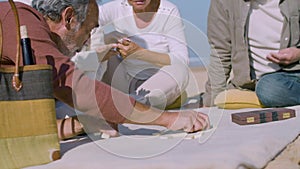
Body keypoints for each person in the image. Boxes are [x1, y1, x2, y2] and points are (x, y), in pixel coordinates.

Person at [0, 0, 209, 140]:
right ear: (69, 18)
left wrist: (84, 123)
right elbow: (80, 90)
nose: (89, 39)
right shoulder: (20, 23)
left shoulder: (24, 24)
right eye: (89, 30)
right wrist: (168, 119)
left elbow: (24, 128)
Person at [72, 0, 190, 109]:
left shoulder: (168, 11)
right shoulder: (116, 8)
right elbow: (83, 23)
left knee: (180, 69)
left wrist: (139, 53)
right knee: (99, 36)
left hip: (157, 81)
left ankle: (131, 104)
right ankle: (92, 96)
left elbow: (181, 58)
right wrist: (108, 39)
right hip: (122, 78)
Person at [203, 0, 300, 107]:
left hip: (292, 75)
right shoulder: (223, 2)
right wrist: (211, 102)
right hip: (251, 84)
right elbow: (220, 52)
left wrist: (298, 54)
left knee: (268, 88)